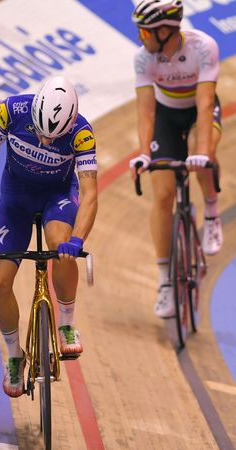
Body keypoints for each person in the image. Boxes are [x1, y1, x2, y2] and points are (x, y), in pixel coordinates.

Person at [0, 75, 98, 397]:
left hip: (57, 196)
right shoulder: (10, 111)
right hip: (15, 198)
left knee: (61, 246)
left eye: (53, 136)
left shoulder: (82, 133)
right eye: (41, 132)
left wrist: (78, 239)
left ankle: (66, 323)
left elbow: (90, 192)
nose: (45, 140)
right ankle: (14, 355)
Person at [129, 0, 223, 319]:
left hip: (198, 111)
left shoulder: (203, 47)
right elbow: (146, 111)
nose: (140, 37)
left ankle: (211, 215)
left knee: (203, 152)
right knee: (163, 195)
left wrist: (202, 153)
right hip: (165, 118)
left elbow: (205, 103)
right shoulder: (143, 58)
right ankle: (165, 281)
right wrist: (144, 153)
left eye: (145, 31)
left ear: (165, 30)